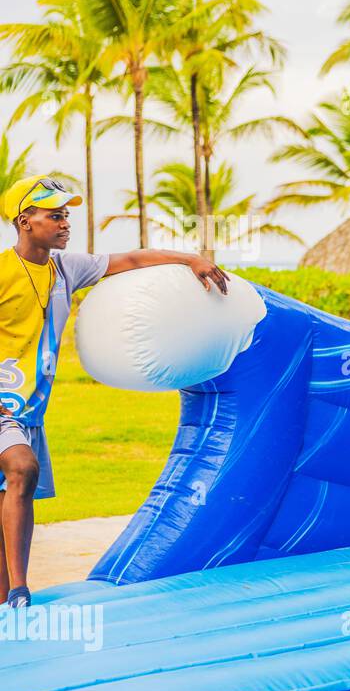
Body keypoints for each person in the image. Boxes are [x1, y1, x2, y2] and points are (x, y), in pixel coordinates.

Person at [0, 175, 229, 609]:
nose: (65, 222)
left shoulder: (65, 268)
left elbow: (132, 259)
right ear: (24, 220)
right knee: (21, 469)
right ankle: (19, 591)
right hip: (2, 405)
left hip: (28, 412)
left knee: (9, 498)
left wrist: (190, 259)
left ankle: (6, 607)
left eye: (67, 214)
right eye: (54, 215)